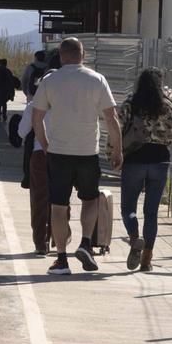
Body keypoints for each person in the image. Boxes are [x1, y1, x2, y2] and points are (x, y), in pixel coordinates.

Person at [32, 37, 123, 275]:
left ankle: (62, 260)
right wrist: (117, 150)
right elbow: (111, 119)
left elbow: (36, 118)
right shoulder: (97, 79)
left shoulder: (50, 81)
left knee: (58, 207)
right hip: (87, 153)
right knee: (90, 200)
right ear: (83, 55)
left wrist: (45, 145)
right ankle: (85, 243)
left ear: (61, 56)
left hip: (58, 153)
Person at [117, 68, 172, 272]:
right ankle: (146, 260)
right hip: (160, 160)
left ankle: (135, 238)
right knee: (151, 213)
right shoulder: (168, 106)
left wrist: (115, 152)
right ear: (160, 84)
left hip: (134, 160)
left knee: (128, 208)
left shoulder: (130, 103)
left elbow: (117, 126)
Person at [18, 50, 60, 254]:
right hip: (63, 155)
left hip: (39, 155)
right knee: (60, 199)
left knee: (39, 200)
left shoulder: (33, 105)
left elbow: (22, 132)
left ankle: (40, 243)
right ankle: (58, 237)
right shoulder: (67, 105)